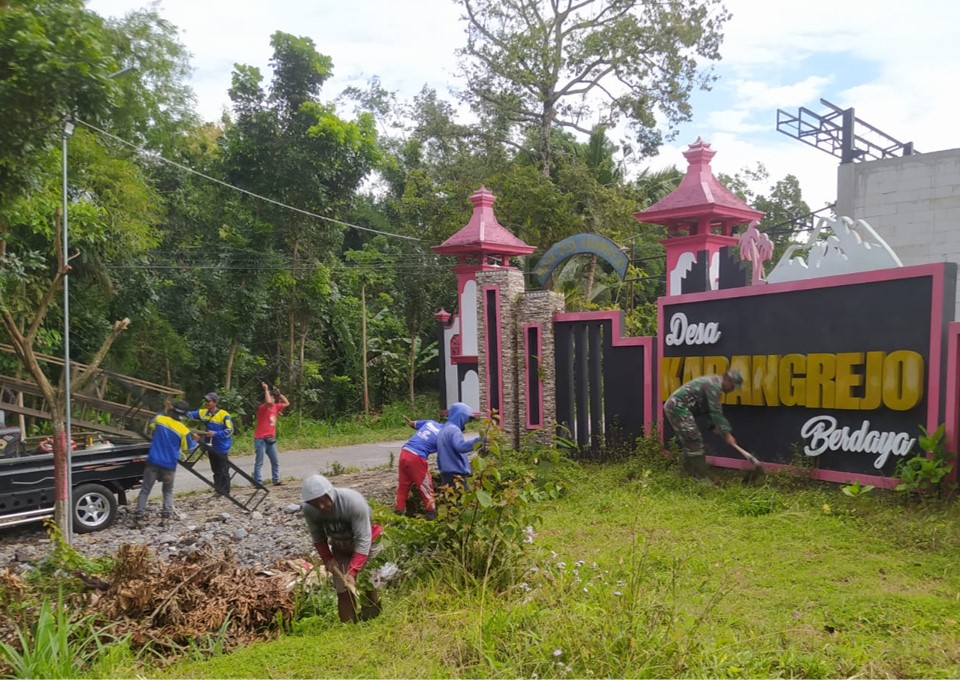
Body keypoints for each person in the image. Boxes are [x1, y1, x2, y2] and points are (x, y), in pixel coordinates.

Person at [301, 474, 383, 623]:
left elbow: (363, 539)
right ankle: (349, 628)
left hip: (367, 545)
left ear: (330, 493)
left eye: (323, 501)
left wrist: (353, 571)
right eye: (315, 503)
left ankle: (373, 620)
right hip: (340, 547)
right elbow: (318, 537)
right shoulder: (309, 510)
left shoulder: (353, 502)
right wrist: (327, 559)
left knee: (368, 584)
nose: (321, 506)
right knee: (343, 590)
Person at [662, 369, 743, 483]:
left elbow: (707, 409)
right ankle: (702, 478)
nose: (733, 390)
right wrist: (727, 434)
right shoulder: (714, 386)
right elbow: (716, 411)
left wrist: (713, 426)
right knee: (694, 439)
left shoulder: (714, 384)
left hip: (681, 408)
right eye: (733, 386)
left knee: (690, 440)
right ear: (728, 381)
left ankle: (687, 474)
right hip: (677, 407)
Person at [133, 400, 197, 527]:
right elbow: (187, 449)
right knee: (167, 491)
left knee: (145, 490)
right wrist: (195, 441)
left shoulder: (160, 420)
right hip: (169, 465)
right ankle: (165, 518)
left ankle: (139, 518)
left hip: (153, 461)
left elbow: (152, 424)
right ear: (184, 415)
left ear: (172, 411)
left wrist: (165, 409)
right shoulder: (184, 431)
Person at [187, 392, 234, 496]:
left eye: (209, 401)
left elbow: (229, 430)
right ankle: (218, 490)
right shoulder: (203, 413)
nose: (206, 403)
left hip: (222, 446)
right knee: (215, 469)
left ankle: (225, 491)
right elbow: (190, 414)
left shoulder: (224, 415)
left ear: (215, 402)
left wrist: (216, 433)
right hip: (210, 445)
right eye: (206, 401)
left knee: (223, 469)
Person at [394, 416, 442, 519]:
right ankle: (431, 513)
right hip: (417, 456)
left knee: (403, 485)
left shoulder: (430, 422)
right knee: (426, 486)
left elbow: (412, 423)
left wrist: (410, 422)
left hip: (405, 452)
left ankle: (398, 512)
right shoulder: (444, 435)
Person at [436, 402, 482, 489]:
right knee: (465, 500)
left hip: (445, 473)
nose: (466, 422)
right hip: (456, 474)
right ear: (461, 416)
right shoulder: (454, 430)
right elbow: (460, 446)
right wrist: (479, 441)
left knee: (450, 500)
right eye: (466, 419)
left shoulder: (444, 430)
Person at [253, 382, 289, 486]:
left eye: (274, 398)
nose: (273, 399)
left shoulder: (275, 407)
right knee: (259, 462)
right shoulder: (263, 407)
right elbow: (268, 401)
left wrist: (279, 393)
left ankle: (275, 479)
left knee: (275, 461)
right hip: (260, 439)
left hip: (270, 438)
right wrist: (266, 390)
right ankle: (258, 482)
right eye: (272, 397)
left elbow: (287, 403)